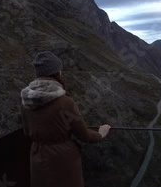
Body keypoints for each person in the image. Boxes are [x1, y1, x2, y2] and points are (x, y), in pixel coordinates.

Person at [20, 51, 111, 187]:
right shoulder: (65, 102)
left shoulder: (25, 101)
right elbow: (84, 136)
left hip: (37, 157)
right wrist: (101, 133)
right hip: (62, 160)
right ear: (57, 72)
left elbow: (27, 132)